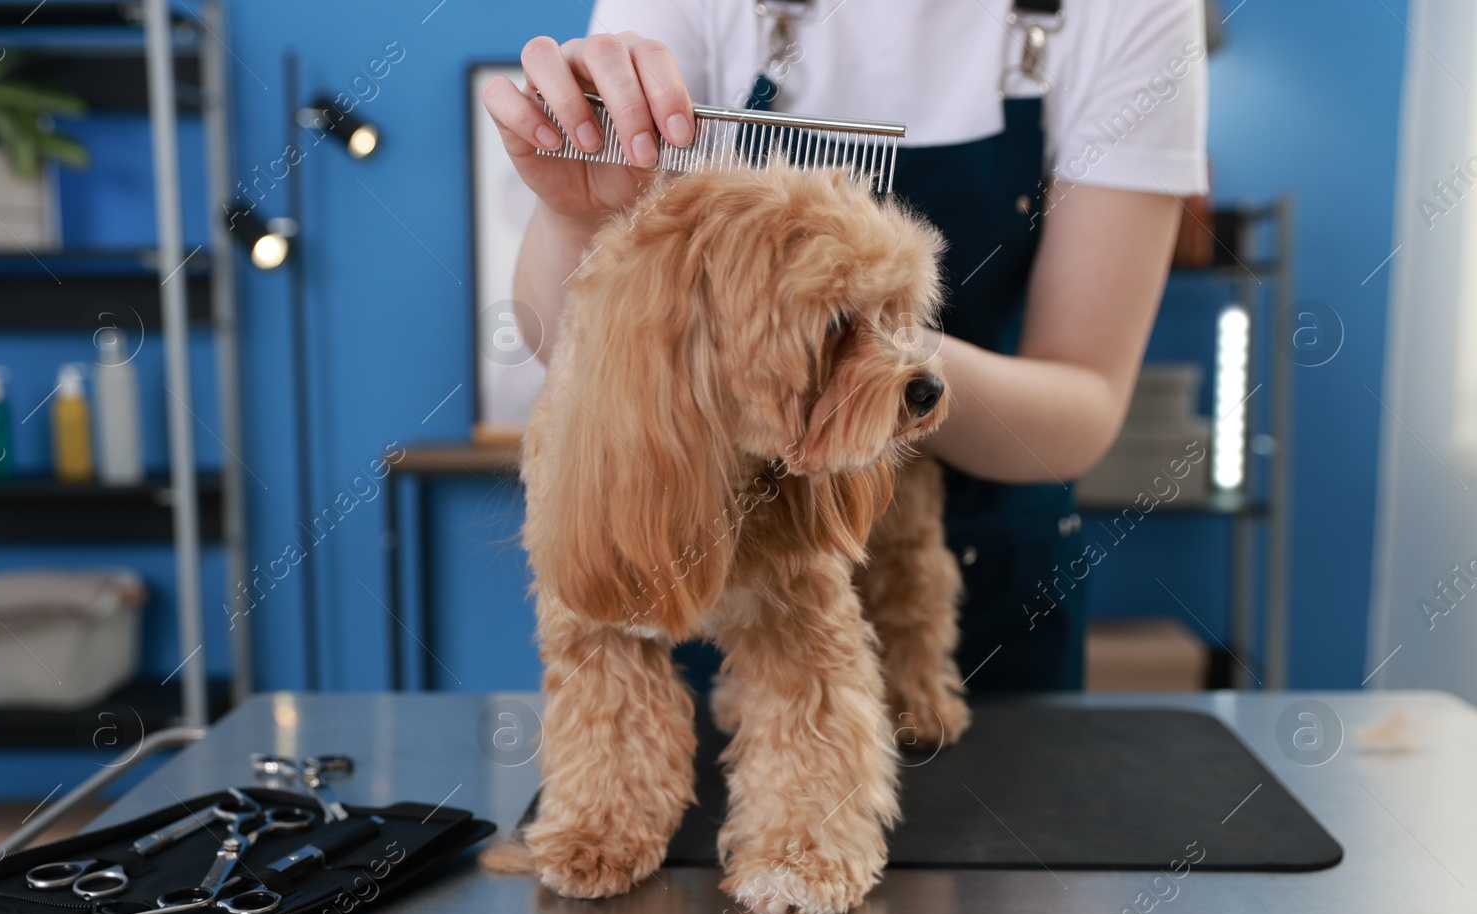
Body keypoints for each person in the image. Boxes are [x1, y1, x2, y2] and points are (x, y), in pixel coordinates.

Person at [483, 0, 1209, 693]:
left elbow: (1083, 402)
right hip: (707, 537)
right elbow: (563, 341)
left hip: (995, 589)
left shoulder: (1130, 12)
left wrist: (858, 361)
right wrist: (578, 217)